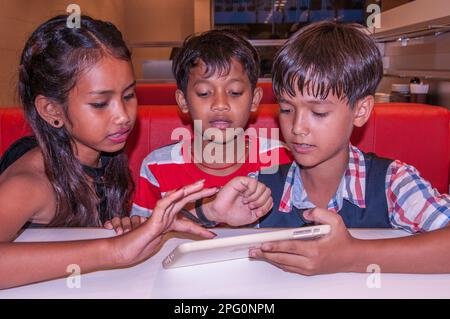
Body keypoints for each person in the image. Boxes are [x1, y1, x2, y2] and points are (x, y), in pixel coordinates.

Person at [0, 15, 272, 289]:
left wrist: (207, 212)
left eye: (129, 96)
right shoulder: (31, 183)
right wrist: (115, 249)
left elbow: (140, 237)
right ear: (52, 110)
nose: (123, 116)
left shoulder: (102, 155)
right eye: (99, 103)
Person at [249, 21, 450, 274]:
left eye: (319, 112)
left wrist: (350, 256)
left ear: (361, 110)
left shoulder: (393, 183)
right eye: (287, 109)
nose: (297, 127)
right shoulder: (261, 185)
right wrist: (207, 213)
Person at [130, 30, 291, 227]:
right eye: (204, 93)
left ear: (255, 100)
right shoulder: (156, 167)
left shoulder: (281, 156)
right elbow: (141, 234)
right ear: (183, 101)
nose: (220, 104)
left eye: (235, 92)